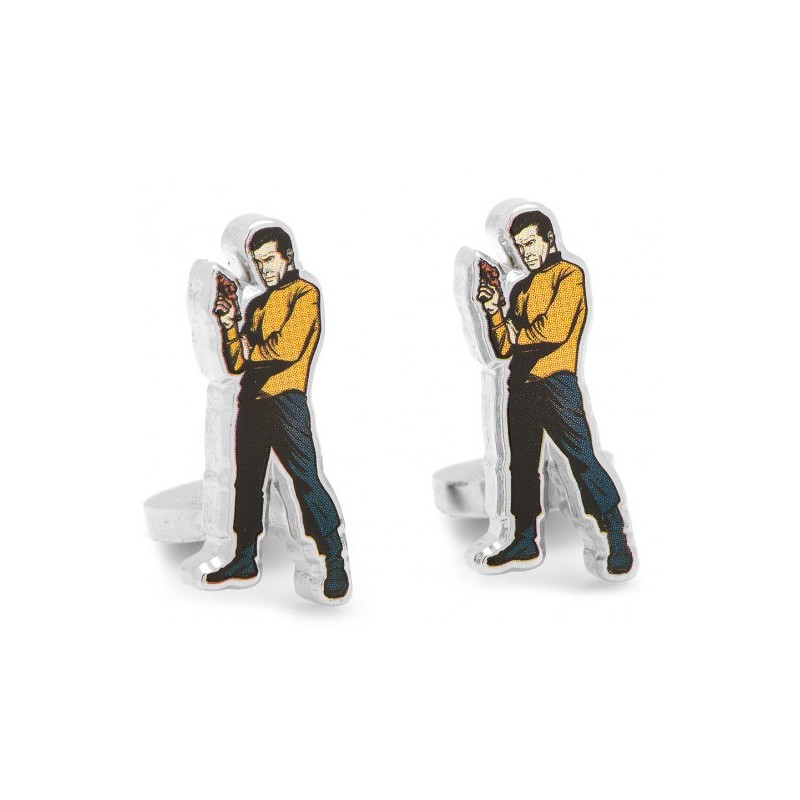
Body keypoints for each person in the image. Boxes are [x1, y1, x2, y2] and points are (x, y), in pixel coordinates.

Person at [476, 210, 634, 575]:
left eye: (531, 242)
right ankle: (524, 539)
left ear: (549, 238)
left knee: (582, 460)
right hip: (520, 386)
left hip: (556, 382)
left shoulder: (569, 274)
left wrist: (514, 332)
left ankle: (615, 535)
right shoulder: (520, 288)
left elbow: (553, 330)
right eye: (519, 246)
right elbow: (503, 348)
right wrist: (493, 310)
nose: (526, 252)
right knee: (521, 466)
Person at [206, 225, 349, 598]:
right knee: (247, 483)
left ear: (288, 255)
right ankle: (244, 557)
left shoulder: (305, 293)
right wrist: (228, 326)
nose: (264, 269)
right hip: (251, 402)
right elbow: (236, 363)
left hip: (286, 400)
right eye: (258, 262)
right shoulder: (255, 305)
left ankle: (334, 560)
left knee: (306, 481)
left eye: (269, 259)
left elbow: (286, 348)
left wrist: (246, 346)